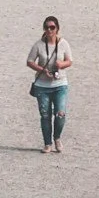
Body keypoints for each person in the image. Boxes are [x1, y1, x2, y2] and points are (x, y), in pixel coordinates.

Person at [26, 17, 71, 154]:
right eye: (47, 27)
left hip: (60, 84)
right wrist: (42, 69)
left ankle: (57, 138)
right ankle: (47, 143)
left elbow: (69, 61)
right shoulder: (39, 44)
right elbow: (30, 61)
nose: (49, 30)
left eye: (52, 27)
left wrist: (61, 65)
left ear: (57, 28)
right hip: (42, 86)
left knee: (60, 114)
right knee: (45, 115)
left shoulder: (63, 43)